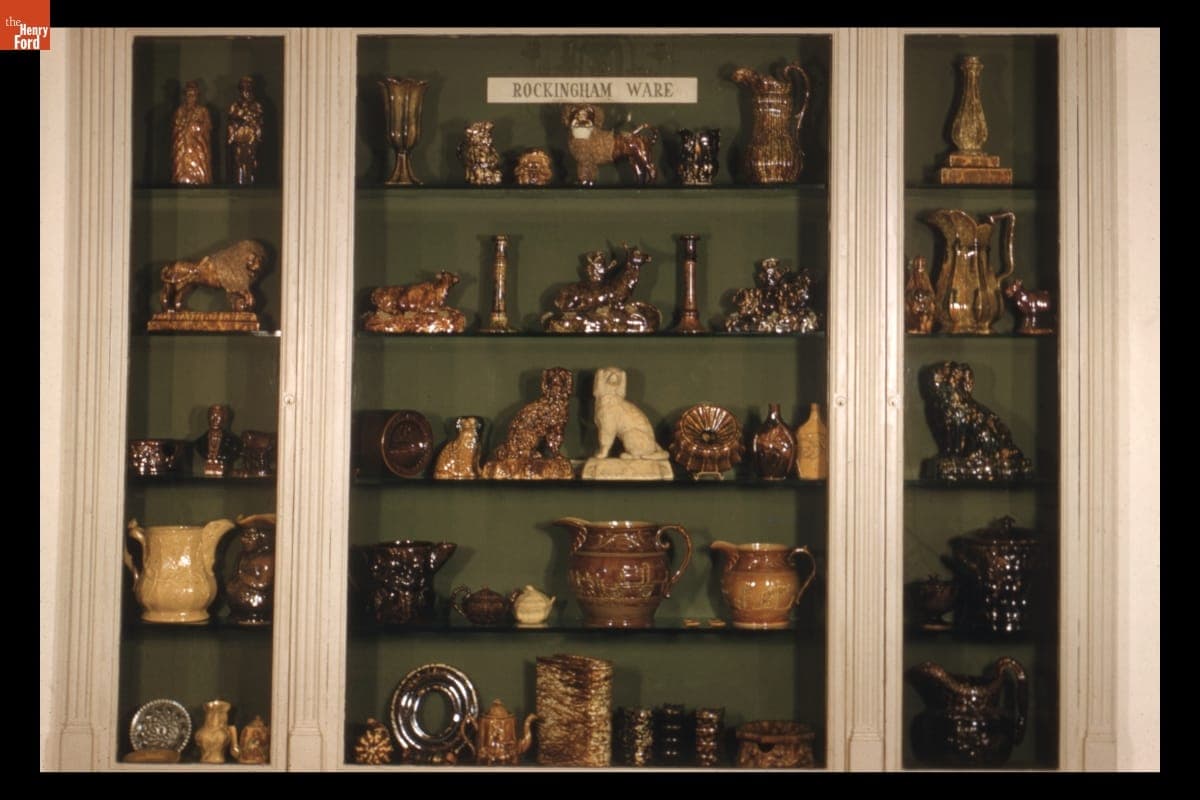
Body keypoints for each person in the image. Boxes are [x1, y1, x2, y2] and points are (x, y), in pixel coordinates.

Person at [172, 80, 213, 184]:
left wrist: (196, 127)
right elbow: (176, 127)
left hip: (197, 144)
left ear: (197, 96)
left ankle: (200, 178)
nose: (190, 98)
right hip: (184, 145)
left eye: (193, 95)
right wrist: (183, 127)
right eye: (188, 95)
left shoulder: (203, 111)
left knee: (200, 159)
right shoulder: (180, 111)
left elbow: (207, 127)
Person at [227, 76, 264, 185]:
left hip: (251, 136)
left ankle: (251, 180)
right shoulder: (235, 106)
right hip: (239, 136)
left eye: (248, 88)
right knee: (238, 159)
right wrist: (241, 118)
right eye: (243, 89)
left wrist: (251, 119)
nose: (246, 91)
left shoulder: (256, 106)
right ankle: (239, 180)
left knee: (251, 158)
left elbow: (259, 119)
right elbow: (231, 119)